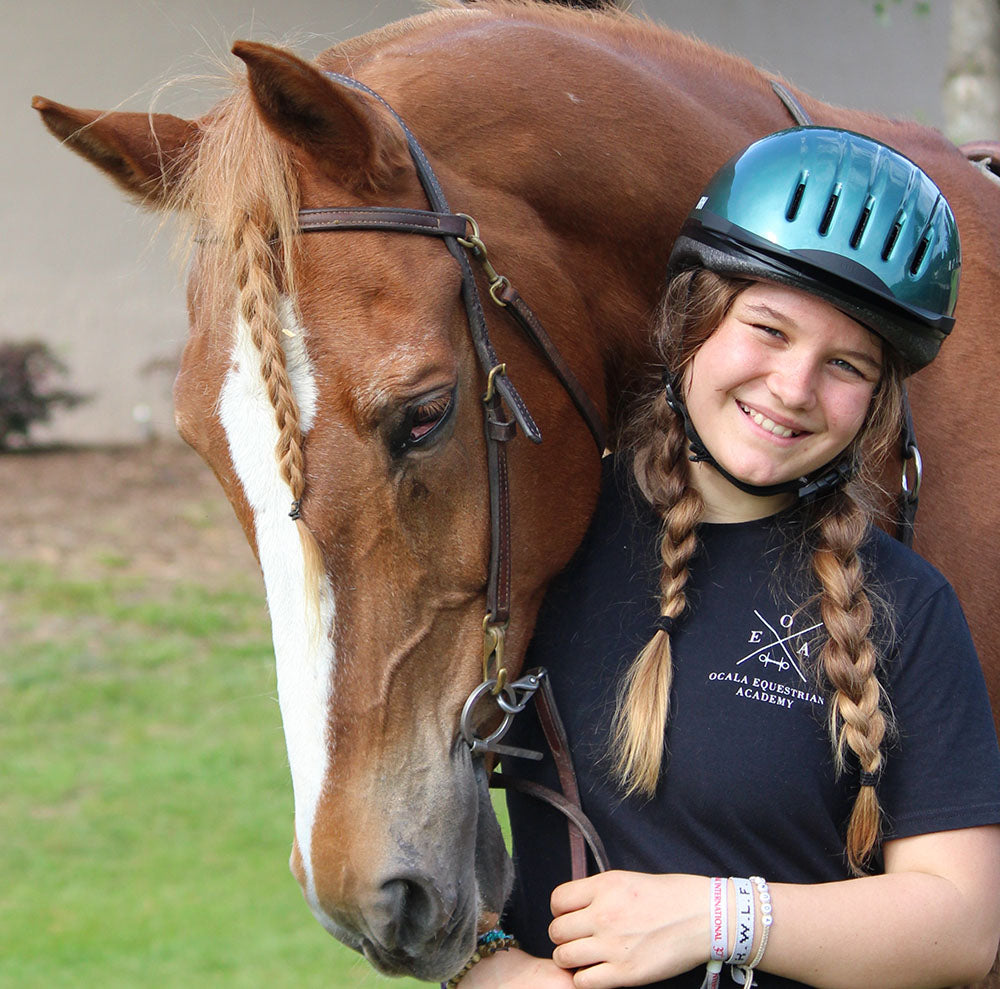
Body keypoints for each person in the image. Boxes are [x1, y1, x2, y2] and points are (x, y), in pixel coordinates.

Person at [451, 127, 1000, 989]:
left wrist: (720, 917)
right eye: (769, 330)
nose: (794, 387)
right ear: (690, 322)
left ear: (878, 402)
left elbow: (962, 924)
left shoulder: (905, 605)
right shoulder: (549, 536)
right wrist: (485, 965)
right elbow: (399, 807)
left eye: (845, 364)